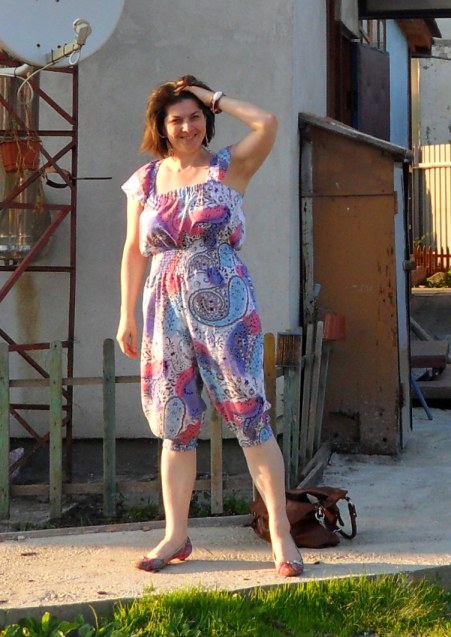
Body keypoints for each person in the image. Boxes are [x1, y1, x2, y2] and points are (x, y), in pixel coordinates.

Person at [116, 75, 304, 578]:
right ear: (160, 126)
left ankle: (281, 532)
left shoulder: (229, 167)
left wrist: (211, 94)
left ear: (207, 119)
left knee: (248, 412)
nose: (187, 126)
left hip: (226, 302)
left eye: (195, 116)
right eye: (176, 119)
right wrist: (126, 313)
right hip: (164, 304)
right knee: (174, 419)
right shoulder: (145, 182)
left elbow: (267, 122)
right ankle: (176, 534)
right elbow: (133, 251)